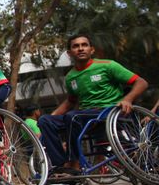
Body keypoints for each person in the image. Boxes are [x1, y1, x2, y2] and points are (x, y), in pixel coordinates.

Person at [37, 34, 148, 170]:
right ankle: (61, 165)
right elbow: (70, 101)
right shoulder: (71, 76)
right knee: (44, 120)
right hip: (85, 116)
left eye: (84, 45)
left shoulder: (108, 66)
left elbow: (141, 83)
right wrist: (52, 116)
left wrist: (127, 99)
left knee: (73, 116)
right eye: (76, 46)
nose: (81, 49)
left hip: (109, 112)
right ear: (69, 53)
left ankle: (74, 164)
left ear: (92, 50)